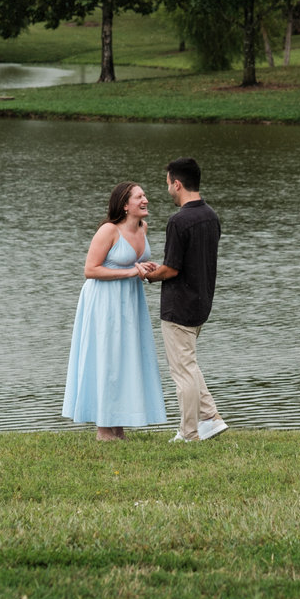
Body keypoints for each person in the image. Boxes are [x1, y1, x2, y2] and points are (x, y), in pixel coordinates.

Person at [62, 181, 166, 441]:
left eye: (145, 195)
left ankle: (117, 427)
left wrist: (147, 268)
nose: (145, 200)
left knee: (125, 359)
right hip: (104, 302)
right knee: (107, 359)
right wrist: (131, 271)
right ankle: (103, 429)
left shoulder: (143, 228)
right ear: (125, 205)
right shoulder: (109, 230)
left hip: (130, 302)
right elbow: (90, 269)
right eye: (139, 197)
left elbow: (136, 263)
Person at [143, 157, 227, 442]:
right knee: (188, 364)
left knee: (182, 371)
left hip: (179, 306)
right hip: (201, 302)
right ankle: (211, 418)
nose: (167, 188)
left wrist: (148, 275)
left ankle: (189, 432)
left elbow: (172, 269)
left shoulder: (178, 221)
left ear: (177, 184)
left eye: (168, 183)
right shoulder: (211, 216)